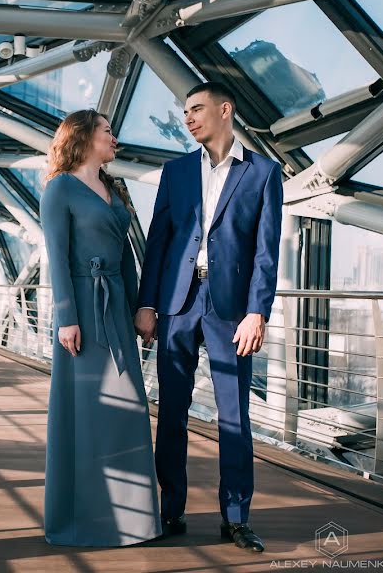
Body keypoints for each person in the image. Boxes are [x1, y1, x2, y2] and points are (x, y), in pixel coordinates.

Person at [134, 81, 283, 553]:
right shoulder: (175, 172)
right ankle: (169, 510)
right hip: (177, 304)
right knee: (172, 414)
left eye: (197, 109)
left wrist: (257, 312)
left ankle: (236, 519)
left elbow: (266, 251)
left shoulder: (263, 173)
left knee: (234, 417)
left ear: (225, 108)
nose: (189, 118)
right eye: (185, 112)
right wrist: (146, 303)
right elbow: (157, 241)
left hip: (232, 311)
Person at [41, 109, 161, 547]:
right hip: (83, 315)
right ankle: (84, 519)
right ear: (85, 136)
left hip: (115, 310)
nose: (115, 137)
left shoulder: (112, 188)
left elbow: (126, 256)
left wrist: (138, 310)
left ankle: (134, 522)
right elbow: (57, 255)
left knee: (127, 408)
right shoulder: (59, 189)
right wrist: (66, 318)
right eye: (107, 131)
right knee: (86, 412)